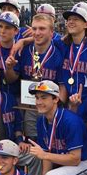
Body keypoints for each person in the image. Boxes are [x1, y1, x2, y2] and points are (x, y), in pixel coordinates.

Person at [27, 80, 87, 175]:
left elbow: (75, 159)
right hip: (67, 163)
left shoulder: (70, 121)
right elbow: (47, 155)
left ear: (56, 99)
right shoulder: (41, 120)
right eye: (37, 98)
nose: (38, 102)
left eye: (43, 98)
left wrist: (45, 156)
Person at [6, 13, 65, 142]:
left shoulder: (59, 50)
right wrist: (9, 68)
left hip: (50, 108)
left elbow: (62, 85)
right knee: (31, 143)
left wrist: (58, 108)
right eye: (34, 28)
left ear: (51, 32)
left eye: (42, 29)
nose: (37, 32)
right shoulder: (24, 50)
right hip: (28, 106)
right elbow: (11, 79)